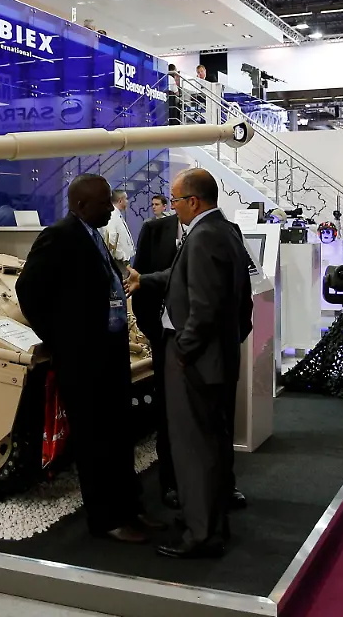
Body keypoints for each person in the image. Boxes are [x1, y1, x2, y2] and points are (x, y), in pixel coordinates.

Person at [15, 174, 158, 544]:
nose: (111, 207)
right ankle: (107, 518)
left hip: (109, 353)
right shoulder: (59, 236)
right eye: (103, 202)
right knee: (96, 441)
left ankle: (128, 508)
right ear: (80, 205)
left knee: (118, 435)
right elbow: (28, 290)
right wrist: (62, 339)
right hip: (84, 360)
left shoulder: (93, 235)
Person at [125, 169, 253, 559]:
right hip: (213, 359)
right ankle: (208, 521)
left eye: (177, 200)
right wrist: (146, 280)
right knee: (210, 444)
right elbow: (186, 277)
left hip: (195, 362)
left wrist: (182, 351)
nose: (173, 207)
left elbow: (204, 308)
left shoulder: (203, 236)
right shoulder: (221, 230)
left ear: (193, 202)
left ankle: (202, 535)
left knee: (194, 448)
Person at [131, 192, 181, 510]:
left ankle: (221, 481)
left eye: (178, 198)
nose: (174, 204)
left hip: (208, 343)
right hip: (166, 340)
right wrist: (154, 333)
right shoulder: (154, 230)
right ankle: (171, 481)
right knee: (169, 413)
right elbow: (139, 283)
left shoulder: (222, 231)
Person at [101, 189, 135, 266]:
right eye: (126, 199)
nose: (127, 201)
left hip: (123, 260)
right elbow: (111, 238)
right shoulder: (112, 215)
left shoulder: (117, 215)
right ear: (120, 201)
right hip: (119, 262)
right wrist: (121, 256)